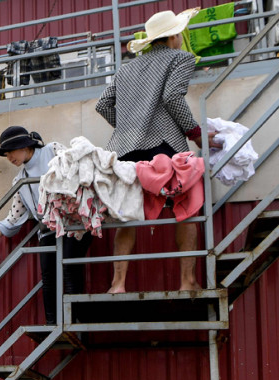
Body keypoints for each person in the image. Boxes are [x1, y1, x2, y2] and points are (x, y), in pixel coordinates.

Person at [95, 8, 220, 293]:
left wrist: (128, 127)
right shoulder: (181, 58)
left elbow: (103, 105)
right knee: (186, 207)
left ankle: (117, 284)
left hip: (125, 150)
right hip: (165, 147)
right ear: (174, 36)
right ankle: (187, 281)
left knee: (128, 214)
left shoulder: (127, 68)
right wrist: (196, 133)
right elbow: (172, 97)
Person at [0, 125, 93, 325]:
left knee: (69, 266)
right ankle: (53, 324)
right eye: (6, 154)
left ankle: (76, 322)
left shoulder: (53, 150)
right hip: (48, 229)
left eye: (10, 151)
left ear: (24, 146)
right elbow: (13, 218)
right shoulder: (20, 180)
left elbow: (78, 170)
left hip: (74, 223)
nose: (9, 158)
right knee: (48, 275)